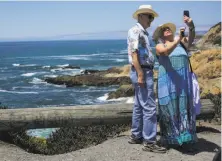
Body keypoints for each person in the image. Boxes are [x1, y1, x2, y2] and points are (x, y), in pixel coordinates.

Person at [152, 13, 197, 149]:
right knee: (169, 108)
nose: (167, 30)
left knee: (183, 106)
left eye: (168, 28)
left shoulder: (182, 44)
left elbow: (192, 38)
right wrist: (177, 39)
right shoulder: (160, 46)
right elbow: (165, 52)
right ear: (161, 35)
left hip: (183, 82)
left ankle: (184, 137)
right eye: (164, 29)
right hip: (167, 83)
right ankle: (170, 138)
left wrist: (191, 25)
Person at [127, 5, 166, 153]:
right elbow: (134, 53)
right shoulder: (136, 31)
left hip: (142, 70)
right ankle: (149, 141)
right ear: (142, 16)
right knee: (149, 107)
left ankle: (136, 135)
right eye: (150, 16)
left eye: (152, 17)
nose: (151, 20)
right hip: (142, 70)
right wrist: (141, 74)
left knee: (139, 104)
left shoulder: (143, 33)